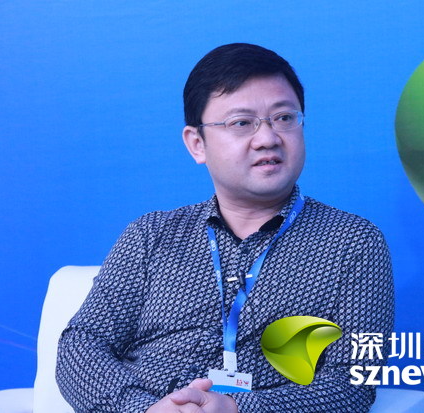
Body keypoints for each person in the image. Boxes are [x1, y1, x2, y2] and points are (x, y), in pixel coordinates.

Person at [56, 43, 394, 412]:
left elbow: (352, 383)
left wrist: (235, 408)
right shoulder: (150, 235)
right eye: (241, 123)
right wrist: (143, 409)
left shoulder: (353, 243)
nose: (268, 138)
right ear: (197, 144)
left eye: (284, 118)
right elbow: (82, 344)